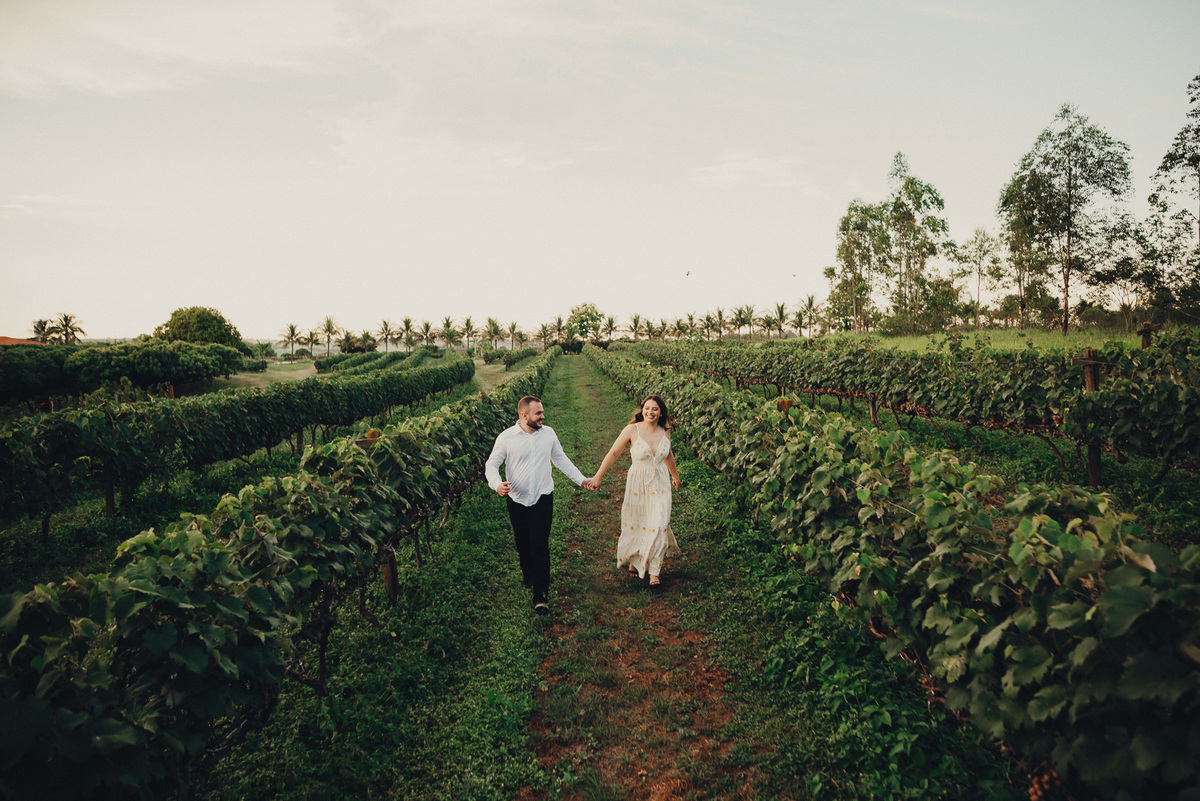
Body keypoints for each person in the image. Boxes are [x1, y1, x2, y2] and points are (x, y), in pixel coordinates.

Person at [486, 395, 594, 614]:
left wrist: (581, 479)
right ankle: (528, 574)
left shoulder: (549, 434)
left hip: (543, 497)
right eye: (538, 413)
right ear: (524, 416)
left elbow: (561, 459)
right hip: (516, 499)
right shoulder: (507, 438)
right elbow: (492, 464)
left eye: (542, 412)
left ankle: (540, 594)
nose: (542, 416)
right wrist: (496, 484)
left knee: (540, 544)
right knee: (522, 541)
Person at [589, 395, 681, 587]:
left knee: (660, 522)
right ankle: (635, 559)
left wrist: (675, 476)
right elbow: (614, 453)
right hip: (638, 484)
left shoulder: (665, 431)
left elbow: (669, 455)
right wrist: (598, 476)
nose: (650, 412)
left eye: (655, 409)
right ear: (642, 410)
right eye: (647, 408)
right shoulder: (632, 430)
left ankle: (654, 571)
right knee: (638, 522)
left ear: (661, 412)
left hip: (661, 483)